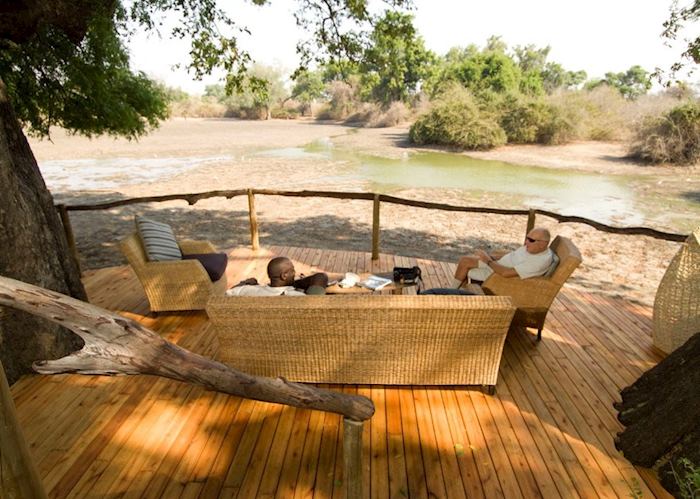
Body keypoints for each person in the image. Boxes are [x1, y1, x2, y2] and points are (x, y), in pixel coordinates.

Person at [454, 227, 554, 284]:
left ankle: (450, 293)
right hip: (498, 265)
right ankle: (461, 294)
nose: (526, 242)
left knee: (465, 262)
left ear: (543, 244)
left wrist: (488, 260)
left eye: (531, 240)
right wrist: (491, 256)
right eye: (527, 238)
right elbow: (513, 255)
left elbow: (506, 273)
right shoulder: (535, 249)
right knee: (469, 260)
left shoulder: (538, 262)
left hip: (499, 274)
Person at [226, 256, 329, 296]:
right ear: (284, 276)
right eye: (292, 270)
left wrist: (245, 283)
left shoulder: (249, 290)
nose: (295, 273)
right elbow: (321, 277)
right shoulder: (292, 296)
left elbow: (228, 293)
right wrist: (296, 283)